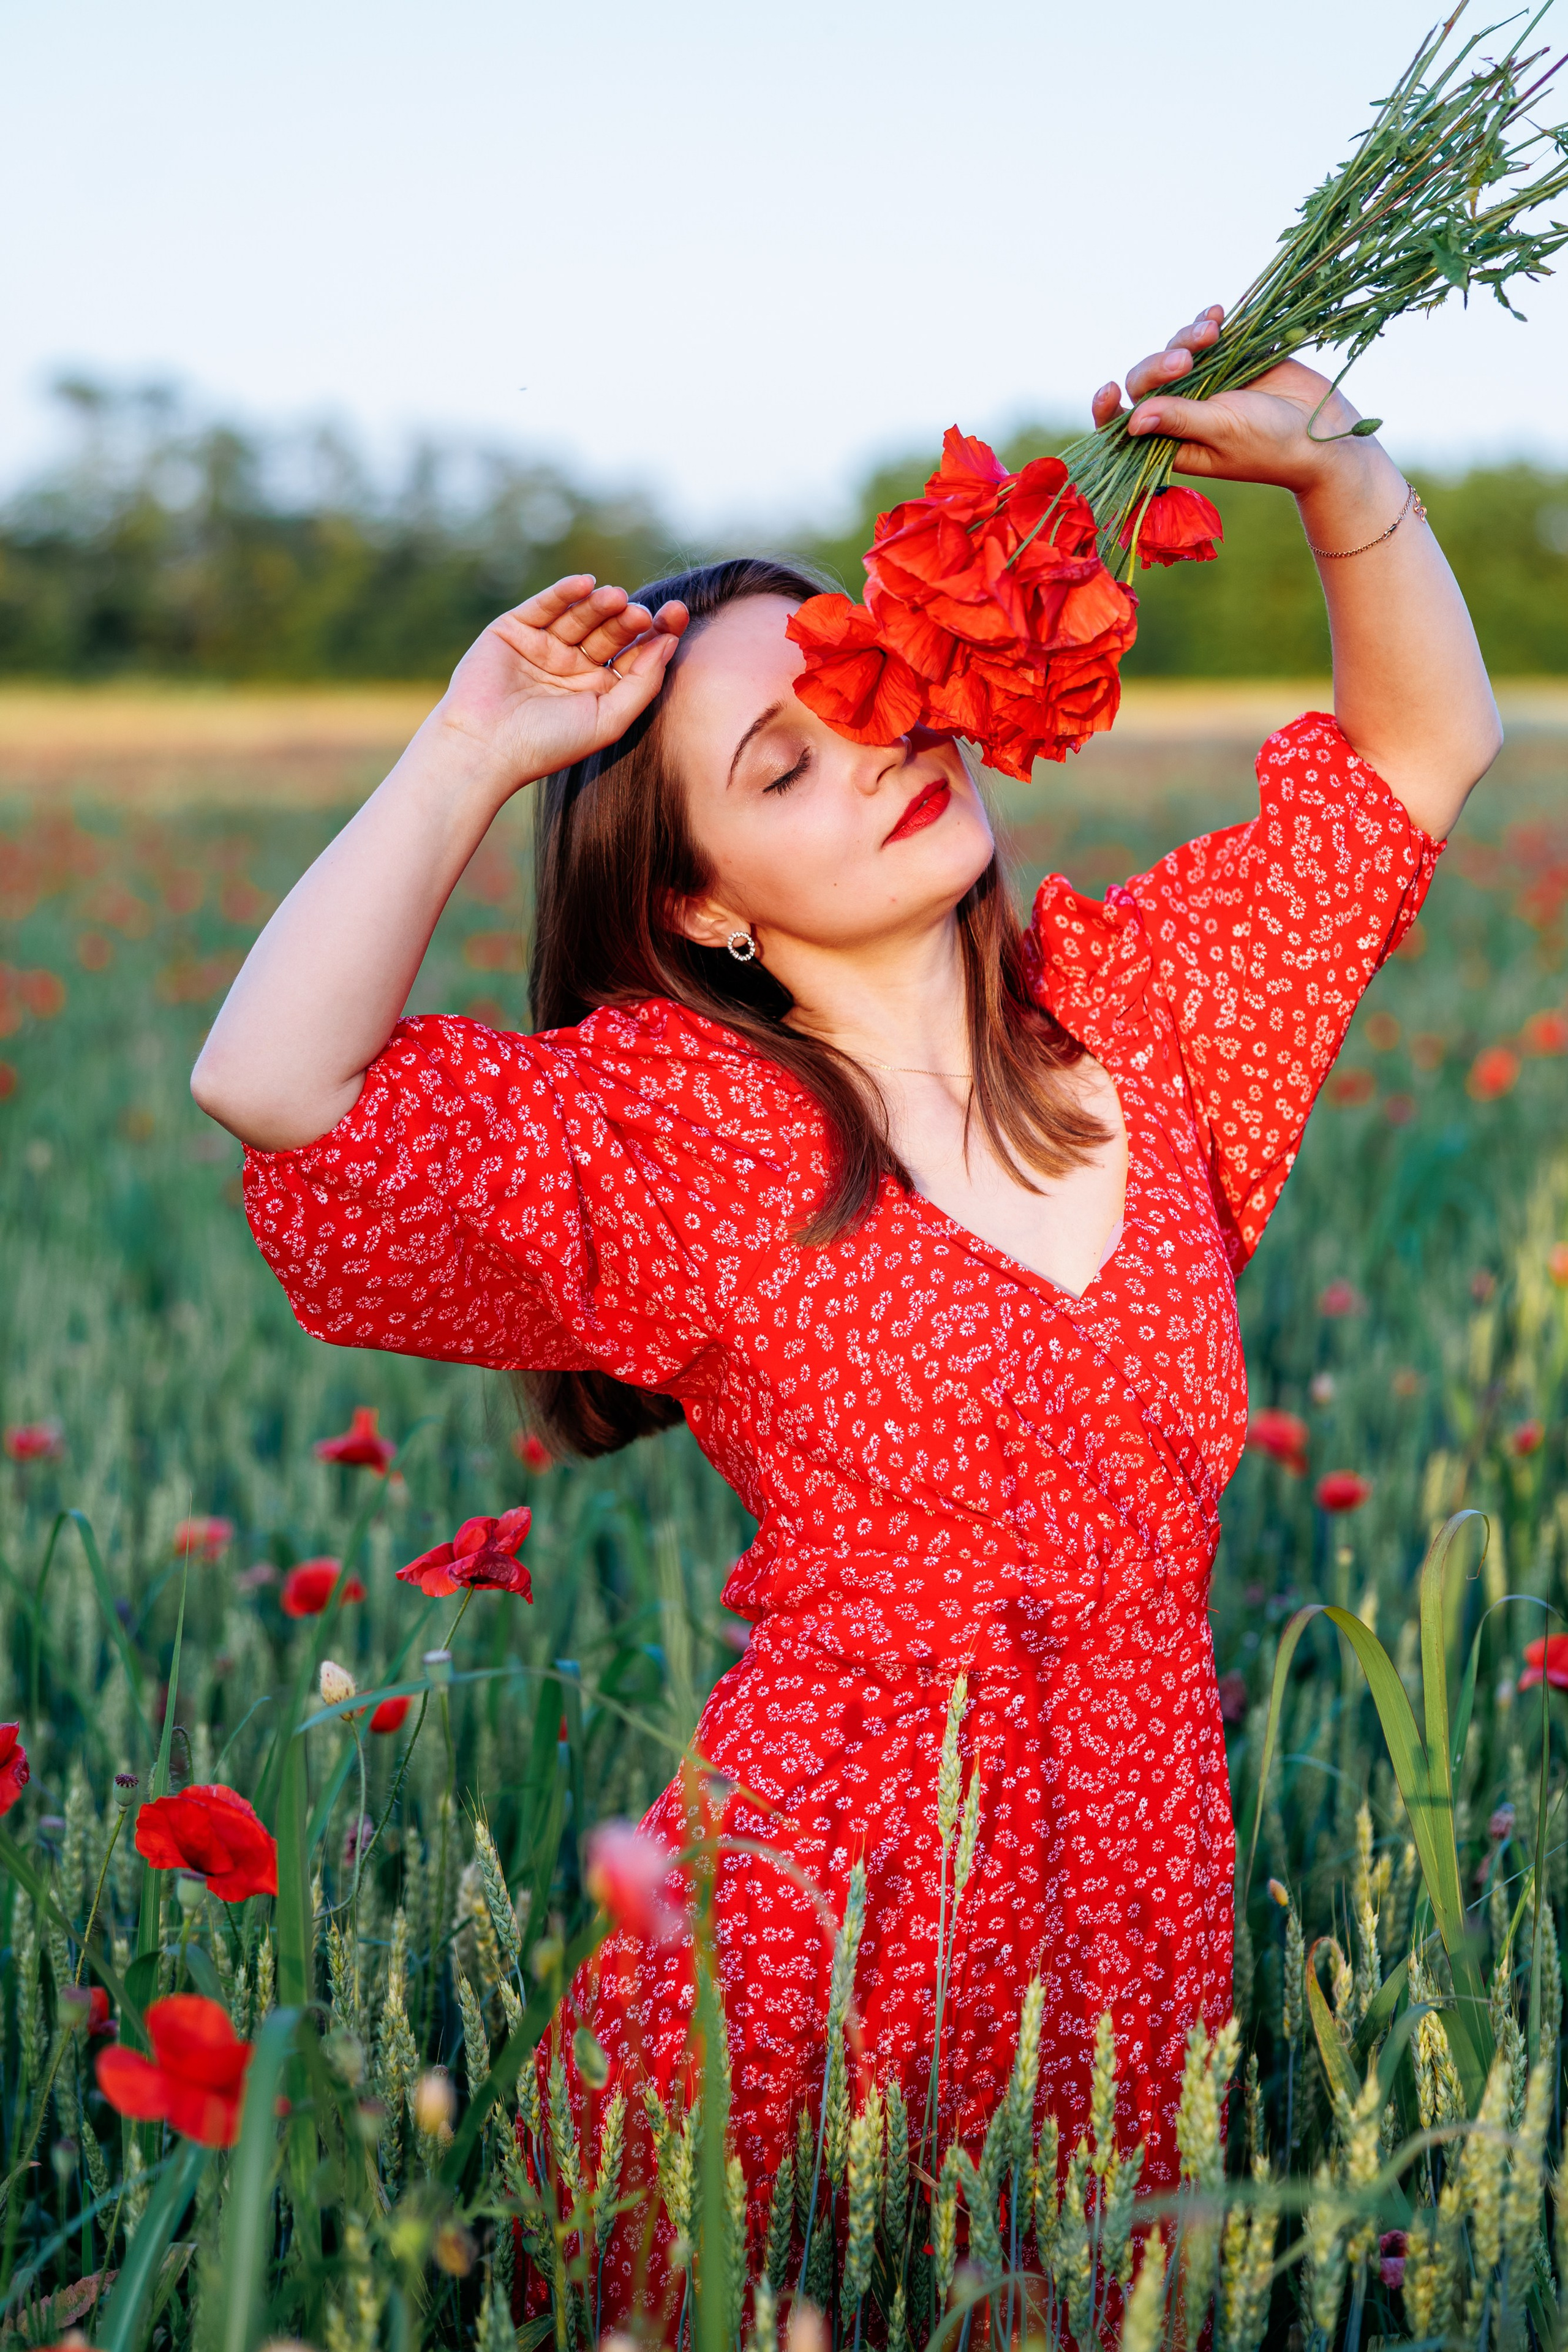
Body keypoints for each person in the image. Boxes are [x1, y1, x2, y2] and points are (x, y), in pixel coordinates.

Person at [193, 309, 1499, 2317]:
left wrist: (1348, 477)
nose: (875, 753)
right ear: (706, 900)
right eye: (779, 764)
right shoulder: (683, 1135)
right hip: (828, 1901)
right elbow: (278, 1088)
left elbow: (1420, 755)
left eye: (866, 694)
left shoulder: (1150, 1031)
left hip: (1148, 1888)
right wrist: (473, 746)